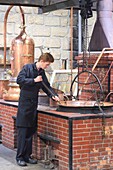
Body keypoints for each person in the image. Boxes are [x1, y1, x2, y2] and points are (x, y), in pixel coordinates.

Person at [16, 53, 60, 166]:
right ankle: (19, 157)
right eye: (47, 64)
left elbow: (46, 86)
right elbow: (19, 80)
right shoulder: (27, 68)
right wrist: (34, 80)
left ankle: (27, 156)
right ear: (42, 60)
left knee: (30, 131)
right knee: (23, 131)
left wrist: (53, 95)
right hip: (24, 105)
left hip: (33, 105)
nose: (47, 66)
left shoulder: (41, 73)